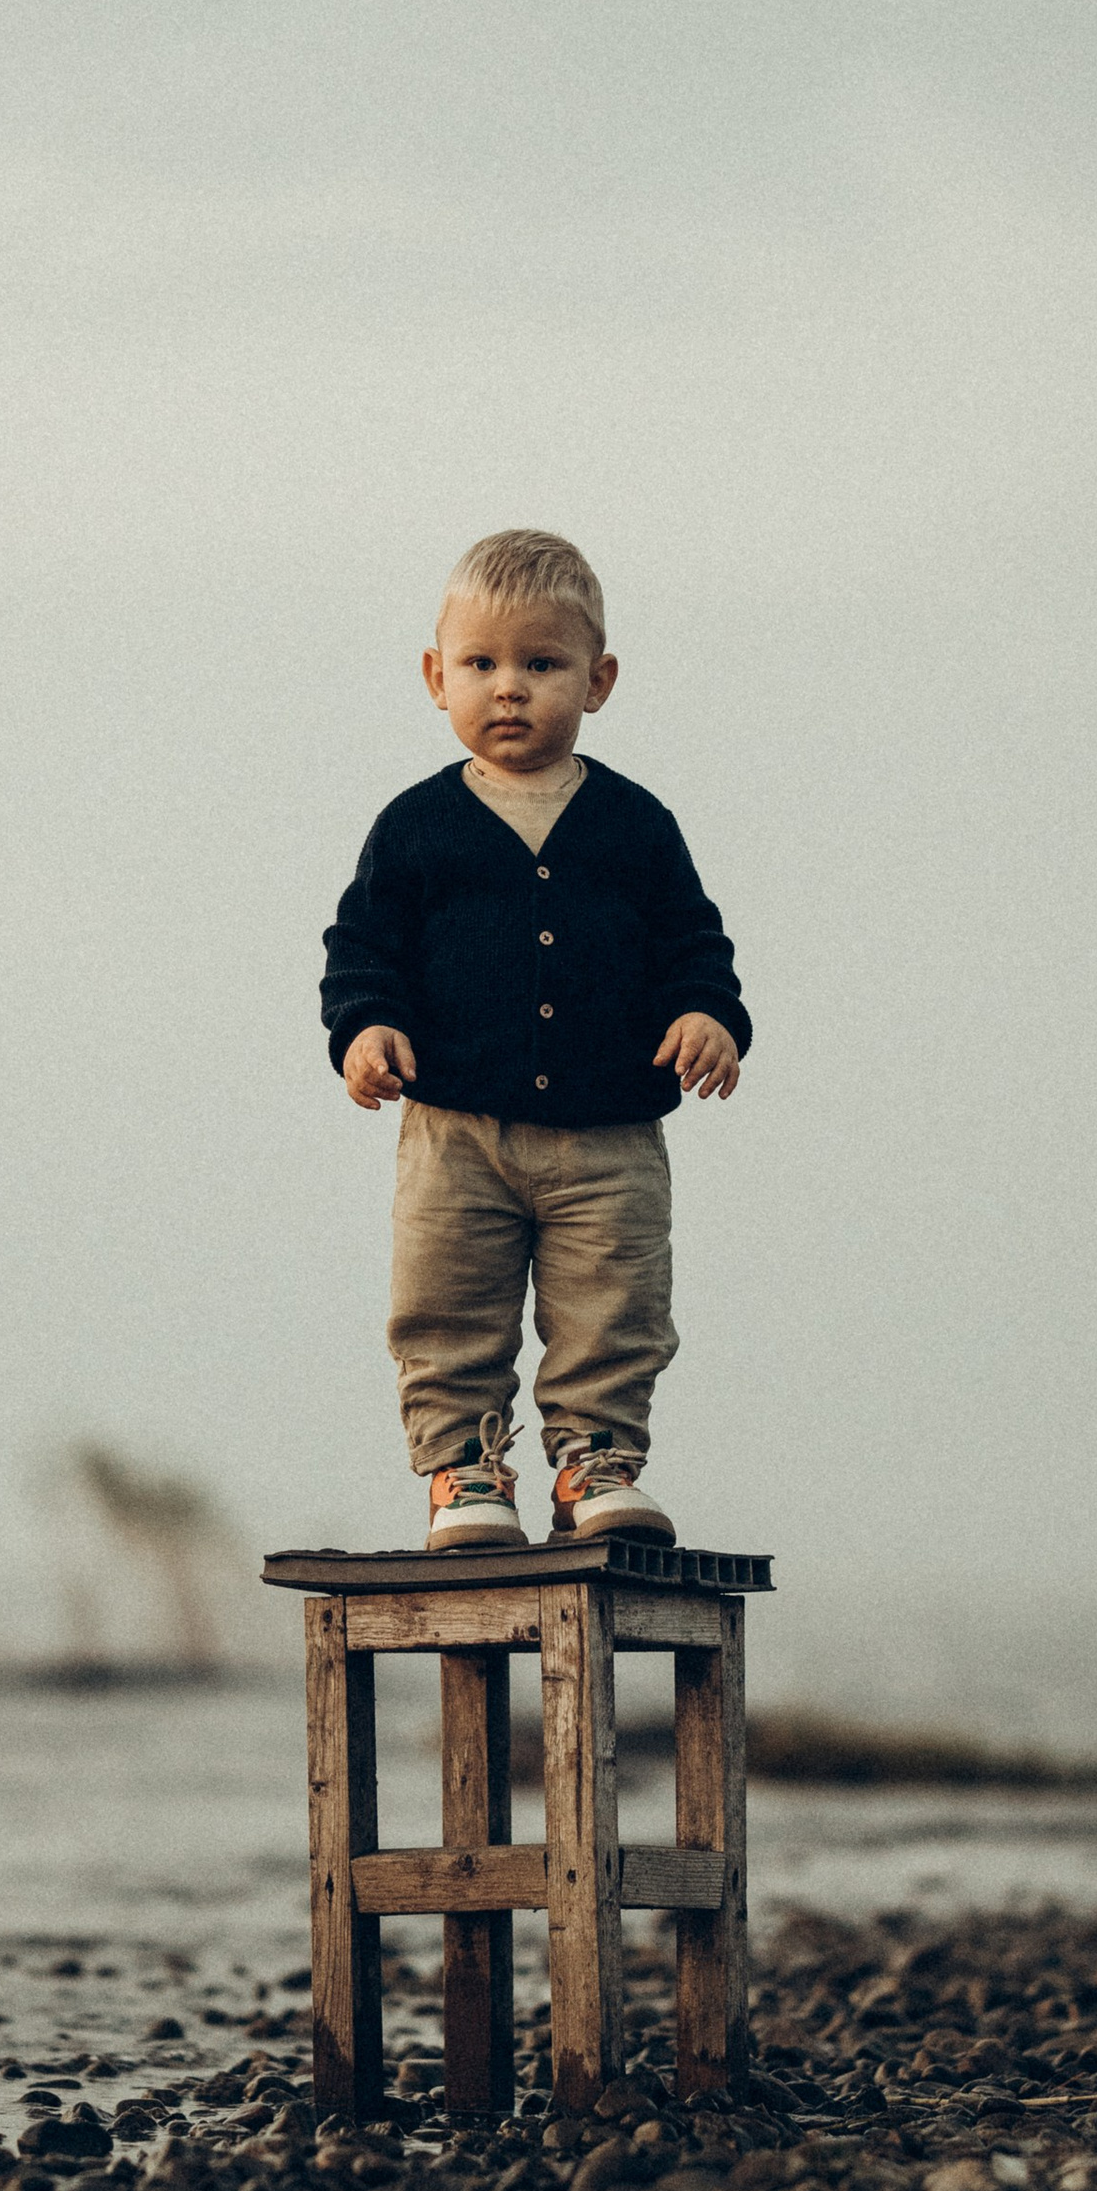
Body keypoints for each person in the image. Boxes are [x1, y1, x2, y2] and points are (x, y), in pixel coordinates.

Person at [320, 528, 751, 1549]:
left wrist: (707, 1013)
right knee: (445, 1308)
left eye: (542, 664)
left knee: (614, 1306)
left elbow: (693, 941)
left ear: (597, 681)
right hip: (453, 1132)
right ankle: (463, 1472)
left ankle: (596, 1462)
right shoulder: (416, 826)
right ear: (437, 677)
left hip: (608, 1136)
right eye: (480, 663)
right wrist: (365, 1027)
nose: (508, 687)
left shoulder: (635, 824)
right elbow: (363, 947)